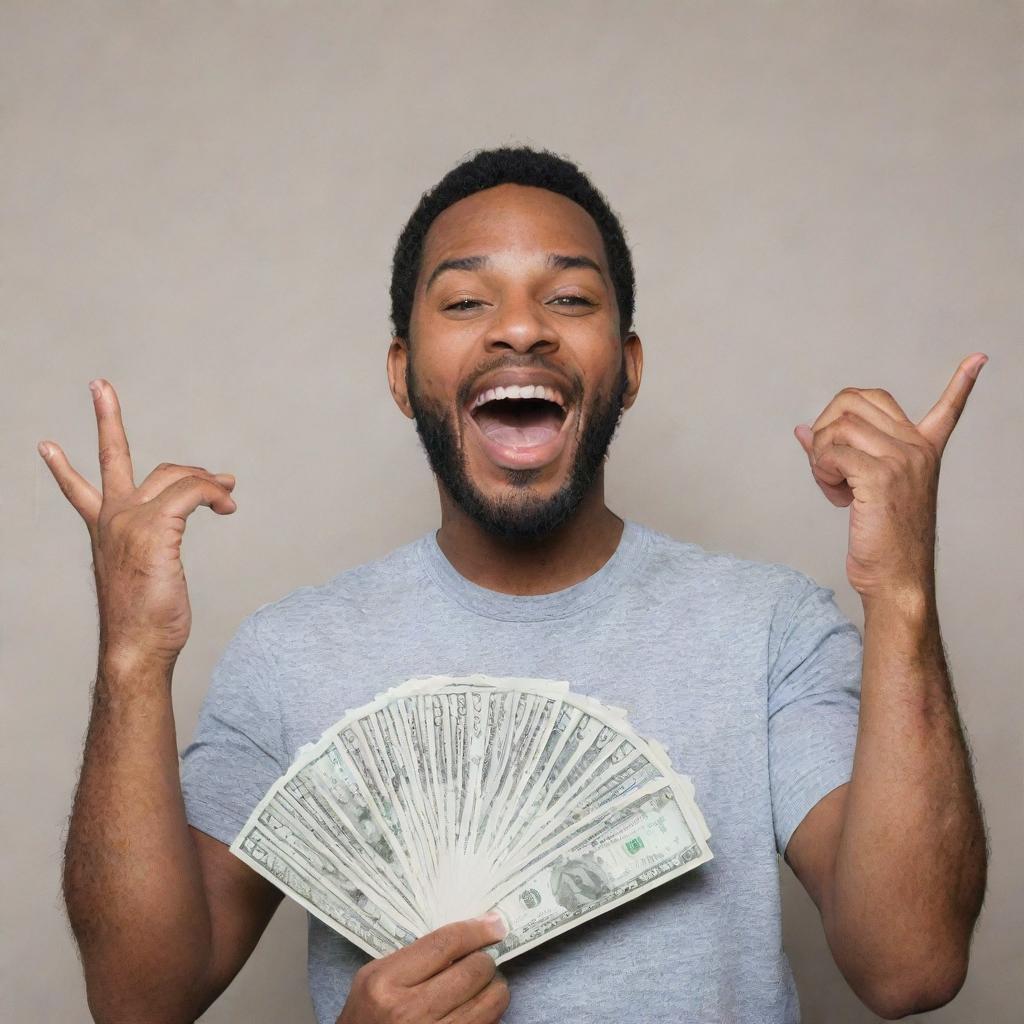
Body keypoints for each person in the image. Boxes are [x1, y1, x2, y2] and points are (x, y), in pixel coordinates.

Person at [45, 145, 988, 1024]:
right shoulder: (289, 654)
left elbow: (911, 963)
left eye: (569, 299)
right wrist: (132, 653)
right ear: (404, 374)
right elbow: (140, 995)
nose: (522, 329)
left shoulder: (770, 626)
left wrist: (898, 584)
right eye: (465, 304)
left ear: (627, 369)